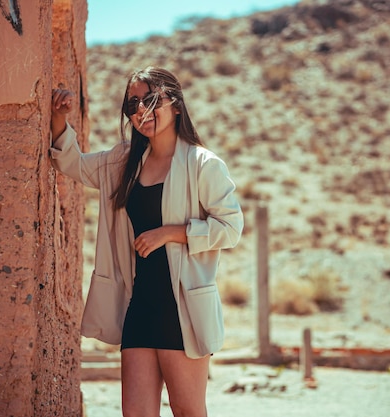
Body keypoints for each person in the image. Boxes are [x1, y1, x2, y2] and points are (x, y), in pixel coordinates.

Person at [49, 67, 244, 417]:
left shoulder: (203, 165)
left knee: (187, 411)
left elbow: (230, 227)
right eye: (133, 104)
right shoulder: (122, 162)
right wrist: (59, 120)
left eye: (151, 100)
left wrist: (169, 232)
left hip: (181, 310)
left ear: (177, 105)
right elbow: (73, 164)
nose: (141, 111)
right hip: (139, 308)